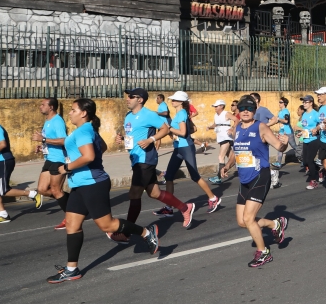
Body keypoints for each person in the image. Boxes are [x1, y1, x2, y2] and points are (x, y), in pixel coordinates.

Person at [47, 98, 159, 283]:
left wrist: (67, 168)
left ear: (84, 113)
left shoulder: (83, 130)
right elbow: (102, 147)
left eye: (73, 110)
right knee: (72, 225)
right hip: (79, 185)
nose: (70, 113)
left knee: (107, 225)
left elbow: (89, 156)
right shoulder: (86, 129)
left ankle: (146, 233)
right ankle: (71, 269)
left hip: (92, 184)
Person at [113, 88, 192, 244]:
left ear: (140, 100)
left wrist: (151, 140)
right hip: (136, 159)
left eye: (131, 97)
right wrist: (121, 139)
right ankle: (184, 207)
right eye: (127, 96)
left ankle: (127, 231)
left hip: (146, 159)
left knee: (134, 194)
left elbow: (165, 129)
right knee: (154, 193)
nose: (127, 99)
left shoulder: (148, 114)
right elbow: (133, 135)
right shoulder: (128, 116)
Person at [230, 95, 290, 267]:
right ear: (238, 111)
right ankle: (275, 224)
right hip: (244, 179)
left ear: (255, 111)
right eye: (242, 108)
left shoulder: (261, 127)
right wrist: (226, 165)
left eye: (249, 108)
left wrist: (284, 144)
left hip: (260, 176)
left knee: (249, 218)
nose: (245, 111)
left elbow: (279, 146)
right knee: (242, 222)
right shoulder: (237, 129)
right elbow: (236, 150)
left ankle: (263, 252)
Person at [159, 91, 221, 214]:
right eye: (172, 99)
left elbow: (182, 132)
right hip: (179, 147)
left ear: (181, 102)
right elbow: (193, 129)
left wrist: (169, 129)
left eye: (175, 100)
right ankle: (169, 207)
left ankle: (213, 198)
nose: (172, 101)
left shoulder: (181, 113)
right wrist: (173, 131)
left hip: (186, 147)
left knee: (194, 175)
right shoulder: (181, 113)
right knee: (169, 176)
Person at [0, 109, 42, 224]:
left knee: (2, 190)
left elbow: (3, 145)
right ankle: (3, 214)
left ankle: (33, 194)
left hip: (3, 162)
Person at [30, 98, 69, 230]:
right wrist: (42, 146)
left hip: (59, 160)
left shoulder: (57, 121)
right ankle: (75, 202)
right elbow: (51, 141)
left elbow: (64, 140)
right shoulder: (47, 121)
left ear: (51, 107)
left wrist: (44, 139)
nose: (40, 107)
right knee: (41, 189)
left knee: (56, 190)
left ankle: (69, 218)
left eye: (43, 105)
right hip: (49, 158)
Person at [207, 99, 235, 184]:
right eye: (214, 106)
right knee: (232, 158)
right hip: (220, 137)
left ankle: (218, 177)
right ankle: (244, 168)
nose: (215, 107)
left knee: (220, 157)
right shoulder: (216, 115)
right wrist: (210, 127)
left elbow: (237, 120)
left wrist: (232, 128)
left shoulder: (226, 113)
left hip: (226, 137)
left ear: (222, 106)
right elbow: (216, 124)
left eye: (216, 106)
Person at [298, 95, 321, 189]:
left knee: (310, 160)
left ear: (311, 103)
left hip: (314, 140)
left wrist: (316, 129)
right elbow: (305, 128)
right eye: (303, 102)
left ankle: (313, 180)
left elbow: (322, 124)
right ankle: (319, 170)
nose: (304, 104)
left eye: (306, 102)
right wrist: (300, 134)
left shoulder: (315, 114)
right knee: (305, 161)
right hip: (306, 139)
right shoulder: (304, 114)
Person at [273, 97, 297, 168]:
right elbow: (277, 120)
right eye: (279, 102)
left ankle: (304, 159)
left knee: (294, 146)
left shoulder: (286, 111)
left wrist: (278, 119)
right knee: (280, 147)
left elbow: (286, 121)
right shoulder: (280, 112)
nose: (279, 104)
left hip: (288, 132)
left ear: (284, 104)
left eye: (281, 102)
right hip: (282, 132)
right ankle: (278, 163)